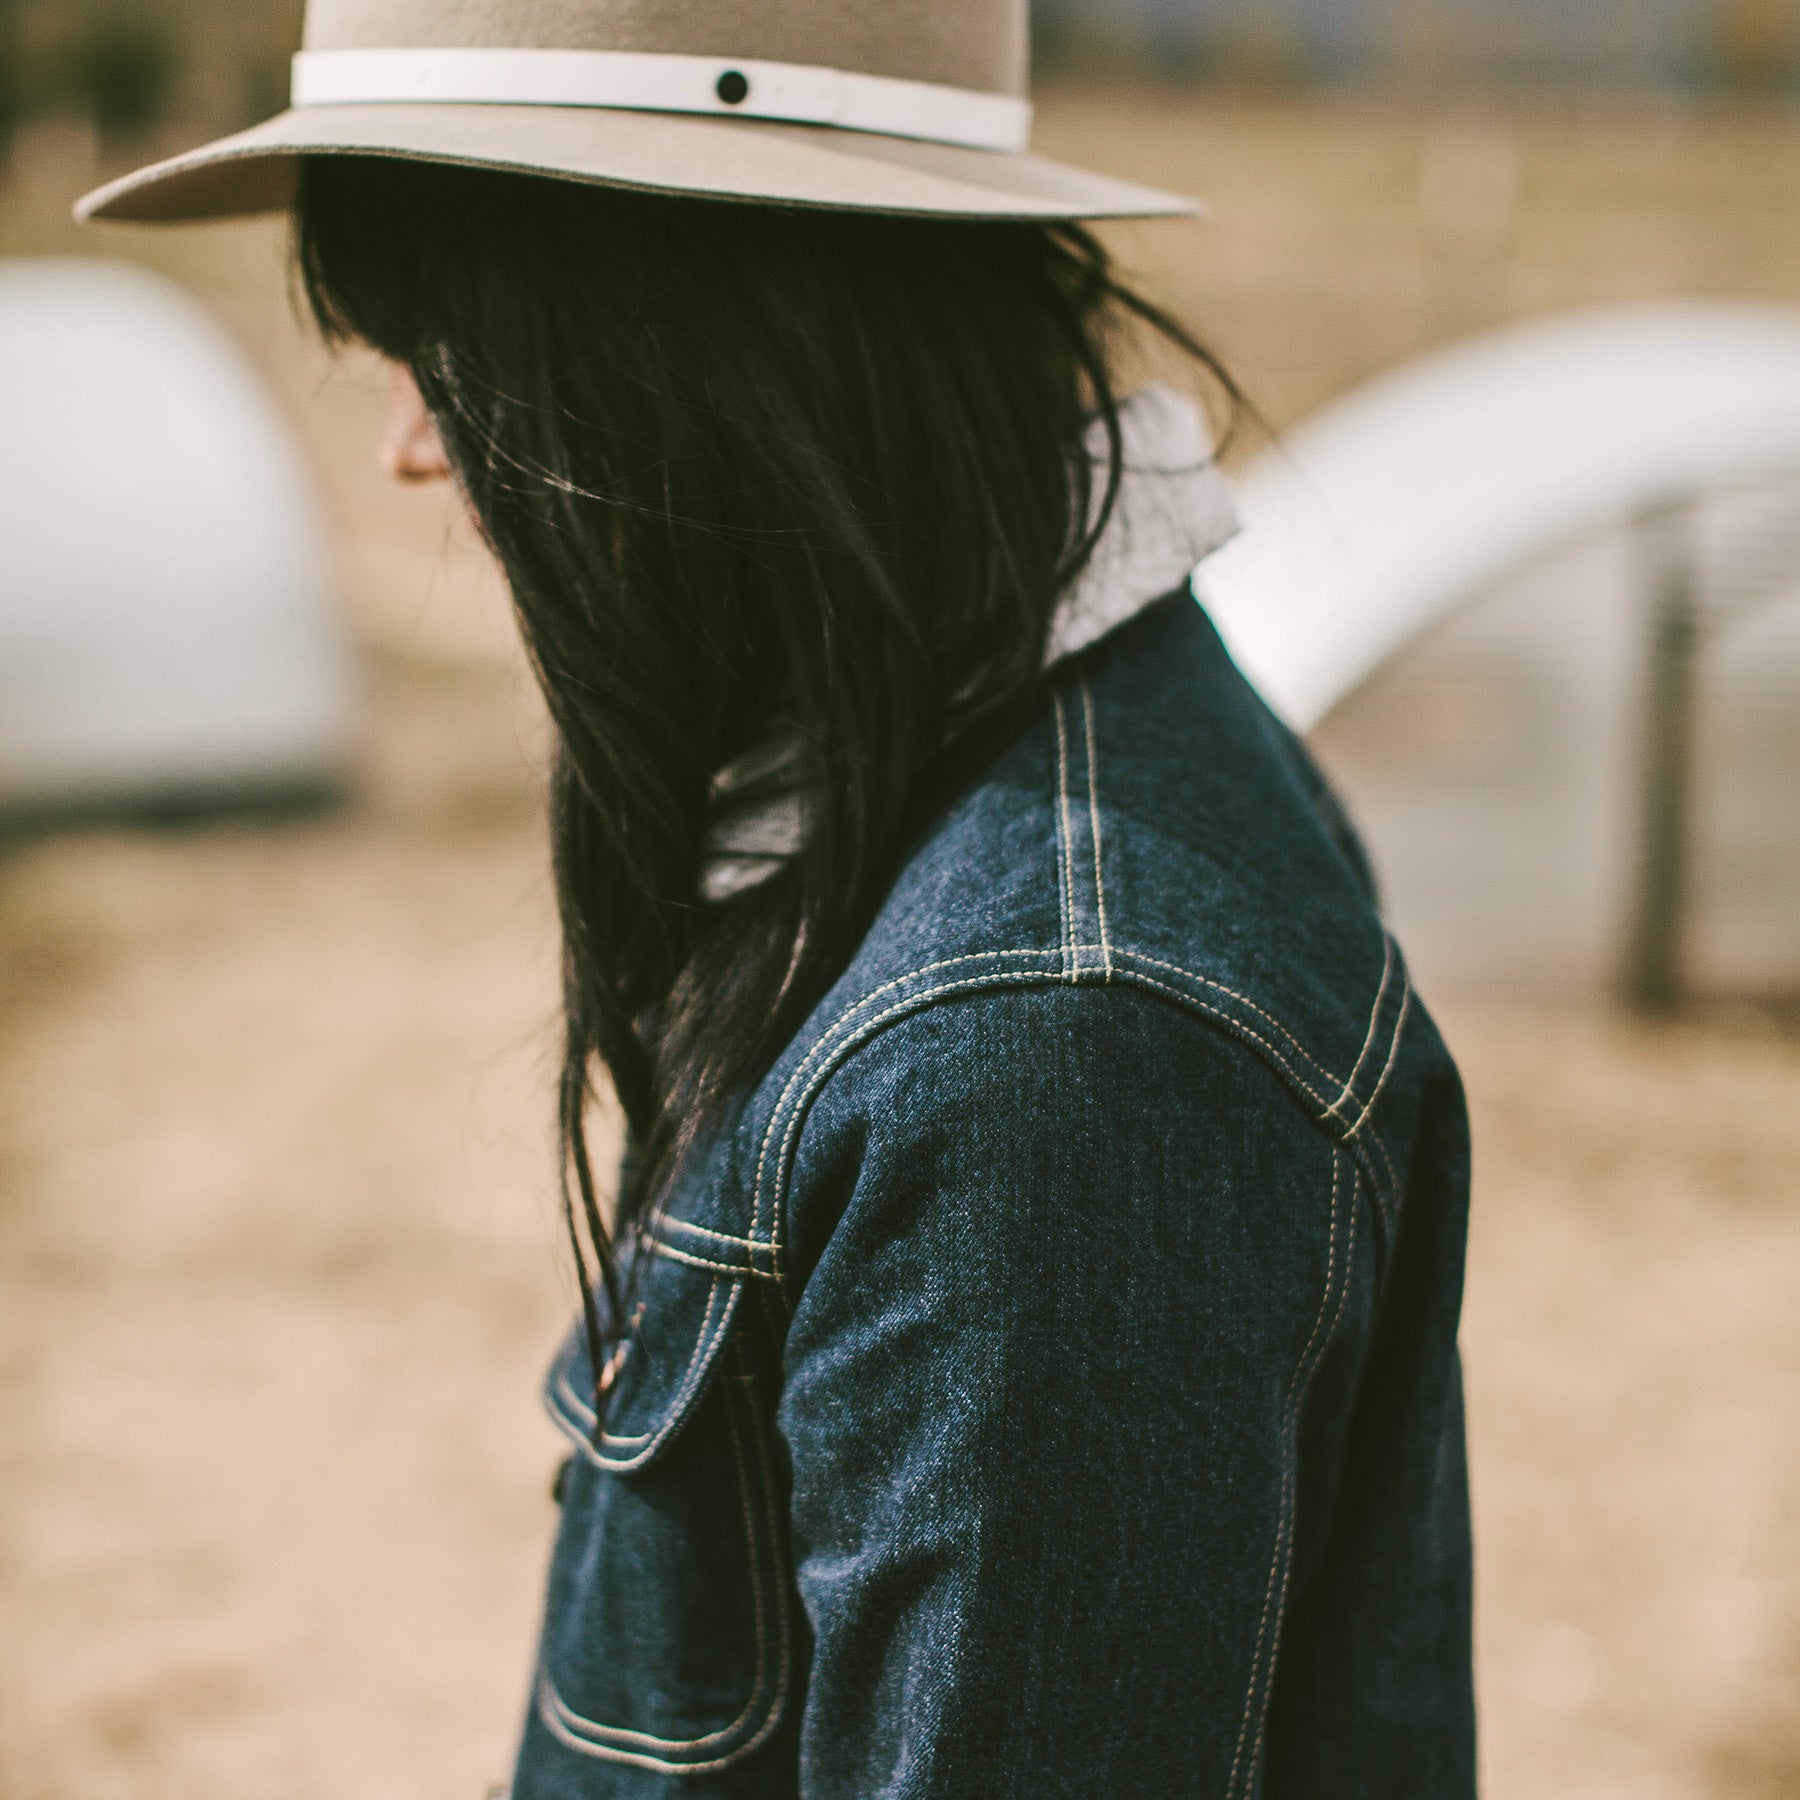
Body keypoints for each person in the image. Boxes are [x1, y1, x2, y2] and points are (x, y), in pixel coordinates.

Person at [81, 2, 1476, 1793]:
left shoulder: (1055, 1052)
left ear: (670, 344)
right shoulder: (960, 822)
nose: (410, 450)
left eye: (440, 344)